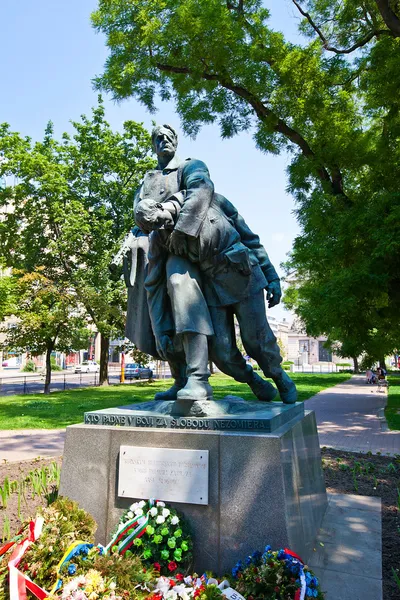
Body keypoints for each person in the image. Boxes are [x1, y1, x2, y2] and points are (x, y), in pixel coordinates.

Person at [135, 185, 297, 404]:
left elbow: (249, 238)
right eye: (153, 228)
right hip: (213, 289)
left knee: (255, 340)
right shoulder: (159, 237)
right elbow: (152, 284)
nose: (161, 227)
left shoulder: (212, 200)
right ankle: (254, 381)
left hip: (243, 277)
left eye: (158, 220)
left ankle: (279, 376)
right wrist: (159, 329)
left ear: (159, 206)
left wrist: (272, 276)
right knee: (221, 353)